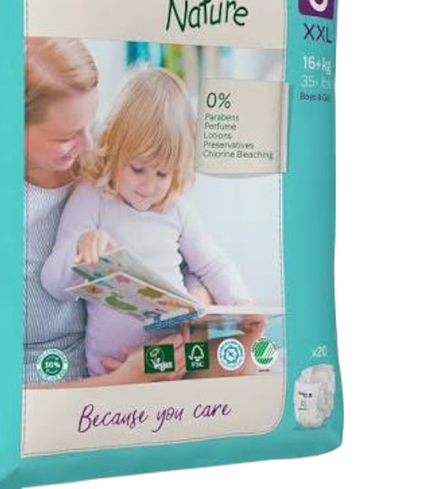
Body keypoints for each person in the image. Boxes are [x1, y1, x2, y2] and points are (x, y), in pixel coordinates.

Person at [40, 65, 265, 380]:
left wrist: (241, 302)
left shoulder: (176, 209)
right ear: (114, 148)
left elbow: (212, 263)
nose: (148, 186)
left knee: (252, 356)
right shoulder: (94, 197)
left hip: (179, 357)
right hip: (115, 369)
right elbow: (52, 282)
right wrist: (81, 247)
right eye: (137, 168)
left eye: (162, 173)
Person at [24, 38, 207, 389]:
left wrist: (196, 305)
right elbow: (9, 397)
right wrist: (126, 379)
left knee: (247, 353)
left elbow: (172, 248)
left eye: (91, 124)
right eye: (66, 136)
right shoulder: (7, 214)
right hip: (79, 384)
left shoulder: (108, 160)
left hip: (152, 350)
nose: (91, 146)